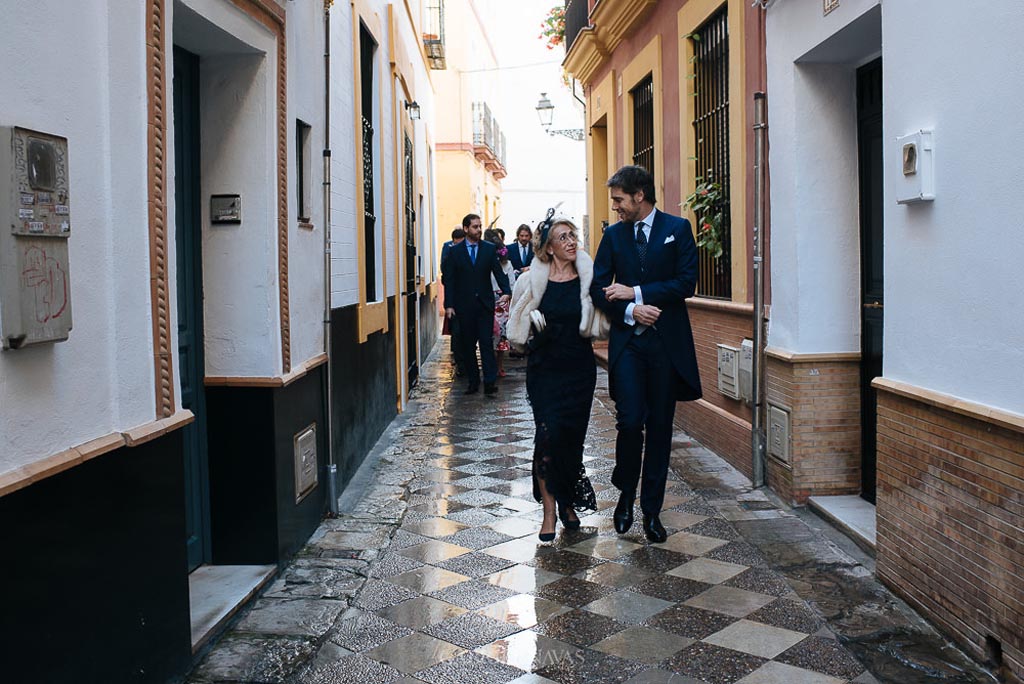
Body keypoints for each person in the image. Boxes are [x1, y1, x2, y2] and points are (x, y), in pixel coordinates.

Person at [590, 165, 702, 543]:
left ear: (639, 195)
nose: (616, 207)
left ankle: (651, 511)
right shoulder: (613, 236)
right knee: (628, 421)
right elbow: (597, 288)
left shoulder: (678, 229)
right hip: (629, 344)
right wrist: (630, 311)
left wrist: (636, 293)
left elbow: (686, 282)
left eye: (620, 200)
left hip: (666, 346)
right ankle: (624, 494)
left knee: (658, 429)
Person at [508, 213, 608, 541]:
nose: (570, 242)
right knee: (547, 438)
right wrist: (534, 335)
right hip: (544, 370)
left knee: (572, 441)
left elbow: (602, 319)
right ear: (549, 247)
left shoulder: (587, 277)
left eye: (572, 236)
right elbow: (516, 327)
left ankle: (568, 503)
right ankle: (550, 511)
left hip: (579, 368)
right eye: (563, 237)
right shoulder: (530, 280)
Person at [444, 214, 512, 395]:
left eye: (480, 226)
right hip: (464, 306)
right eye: (475, 227)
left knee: (486, 343)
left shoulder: (489, 249)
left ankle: (489, 382)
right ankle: (473, 381)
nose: (479, 230)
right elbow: (449, 280)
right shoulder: (454, 251)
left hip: (484, 305)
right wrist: (449, 304)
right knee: (468, 345)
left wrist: (506, 291)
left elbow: (498, 272)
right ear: (466, 229)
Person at [441, 228, 467, 376]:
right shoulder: (448, 248)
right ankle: (460, 363)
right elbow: (445, 273)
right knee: (457, 333)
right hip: (455, 298)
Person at [489, 235, 516, 378]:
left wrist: (508, 297)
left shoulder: (507, 264)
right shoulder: (485, 263)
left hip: (502, 303)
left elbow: (512, 283)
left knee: (501, 337)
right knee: (489, 335)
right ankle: (490, 366)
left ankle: (499, 366)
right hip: (488, 301)